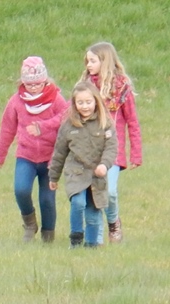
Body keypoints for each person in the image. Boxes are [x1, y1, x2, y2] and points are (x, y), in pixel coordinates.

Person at [0, 57, 69, 242]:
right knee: (21, 190)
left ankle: (48, 235)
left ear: (45, 81)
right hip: (26, 156)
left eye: (38, 84)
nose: (34, 88)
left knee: (47, 199)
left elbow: (66, 116)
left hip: (50, 158)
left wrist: (45, 127)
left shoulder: (56, 99)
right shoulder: (16, 102)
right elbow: (7, 129)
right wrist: (0, 155)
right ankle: (29, 223)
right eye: (29, 84)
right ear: (22, 82)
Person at [78, 42, 142, 244]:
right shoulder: (85, 87)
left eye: (92, 61)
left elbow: (132, 122)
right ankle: (95, 239)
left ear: (104, 61)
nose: (88, 65)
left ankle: (114, 222)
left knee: (110, 191)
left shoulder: (122, 88)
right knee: (94, 193)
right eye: (87, 61)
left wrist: (136, 153)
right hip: (90, 151)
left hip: (113, 151)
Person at [48, 81, 117, 248]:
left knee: (93, 215)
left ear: (96, 102)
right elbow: (59, 153)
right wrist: (53, 177)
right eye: (80, 102)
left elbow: (111, 148)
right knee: (78, 203)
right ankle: (76, 237)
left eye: (88, 102)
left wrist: (104, 165)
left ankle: (91, 245)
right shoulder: (68, 126)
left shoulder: (105, 123)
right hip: (76, 173)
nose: (84, 106)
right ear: (74, 104)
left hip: (96, 176)